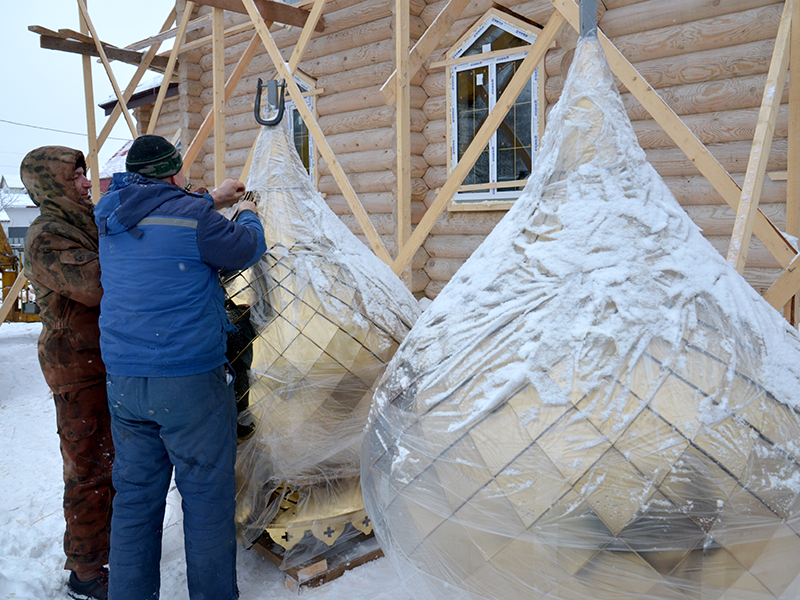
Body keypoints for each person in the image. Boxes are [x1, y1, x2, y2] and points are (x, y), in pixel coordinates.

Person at [94, 135, 266, 600]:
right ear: (173, 173)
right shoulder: (195, 218)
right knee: (207, 499)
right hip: (188, 380)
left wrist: (210, 199)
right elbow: (246, 248)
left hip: (125, 380)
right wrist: (247, 210)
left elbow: (158, 216)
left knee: (135, 501)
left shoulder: (108, 213)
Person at [21, 146, 114, 600]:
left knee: (114, 461)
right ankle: (86, 571)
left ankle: (114, 548)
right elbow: (96, 285)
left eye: (85, 174)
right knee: (89, 467)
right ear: (51, 183)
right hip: (76, 368)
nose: (86, 182)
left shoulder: (85, 222)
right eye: (76, 175)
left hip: (105, 358)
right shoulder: (46, 235)